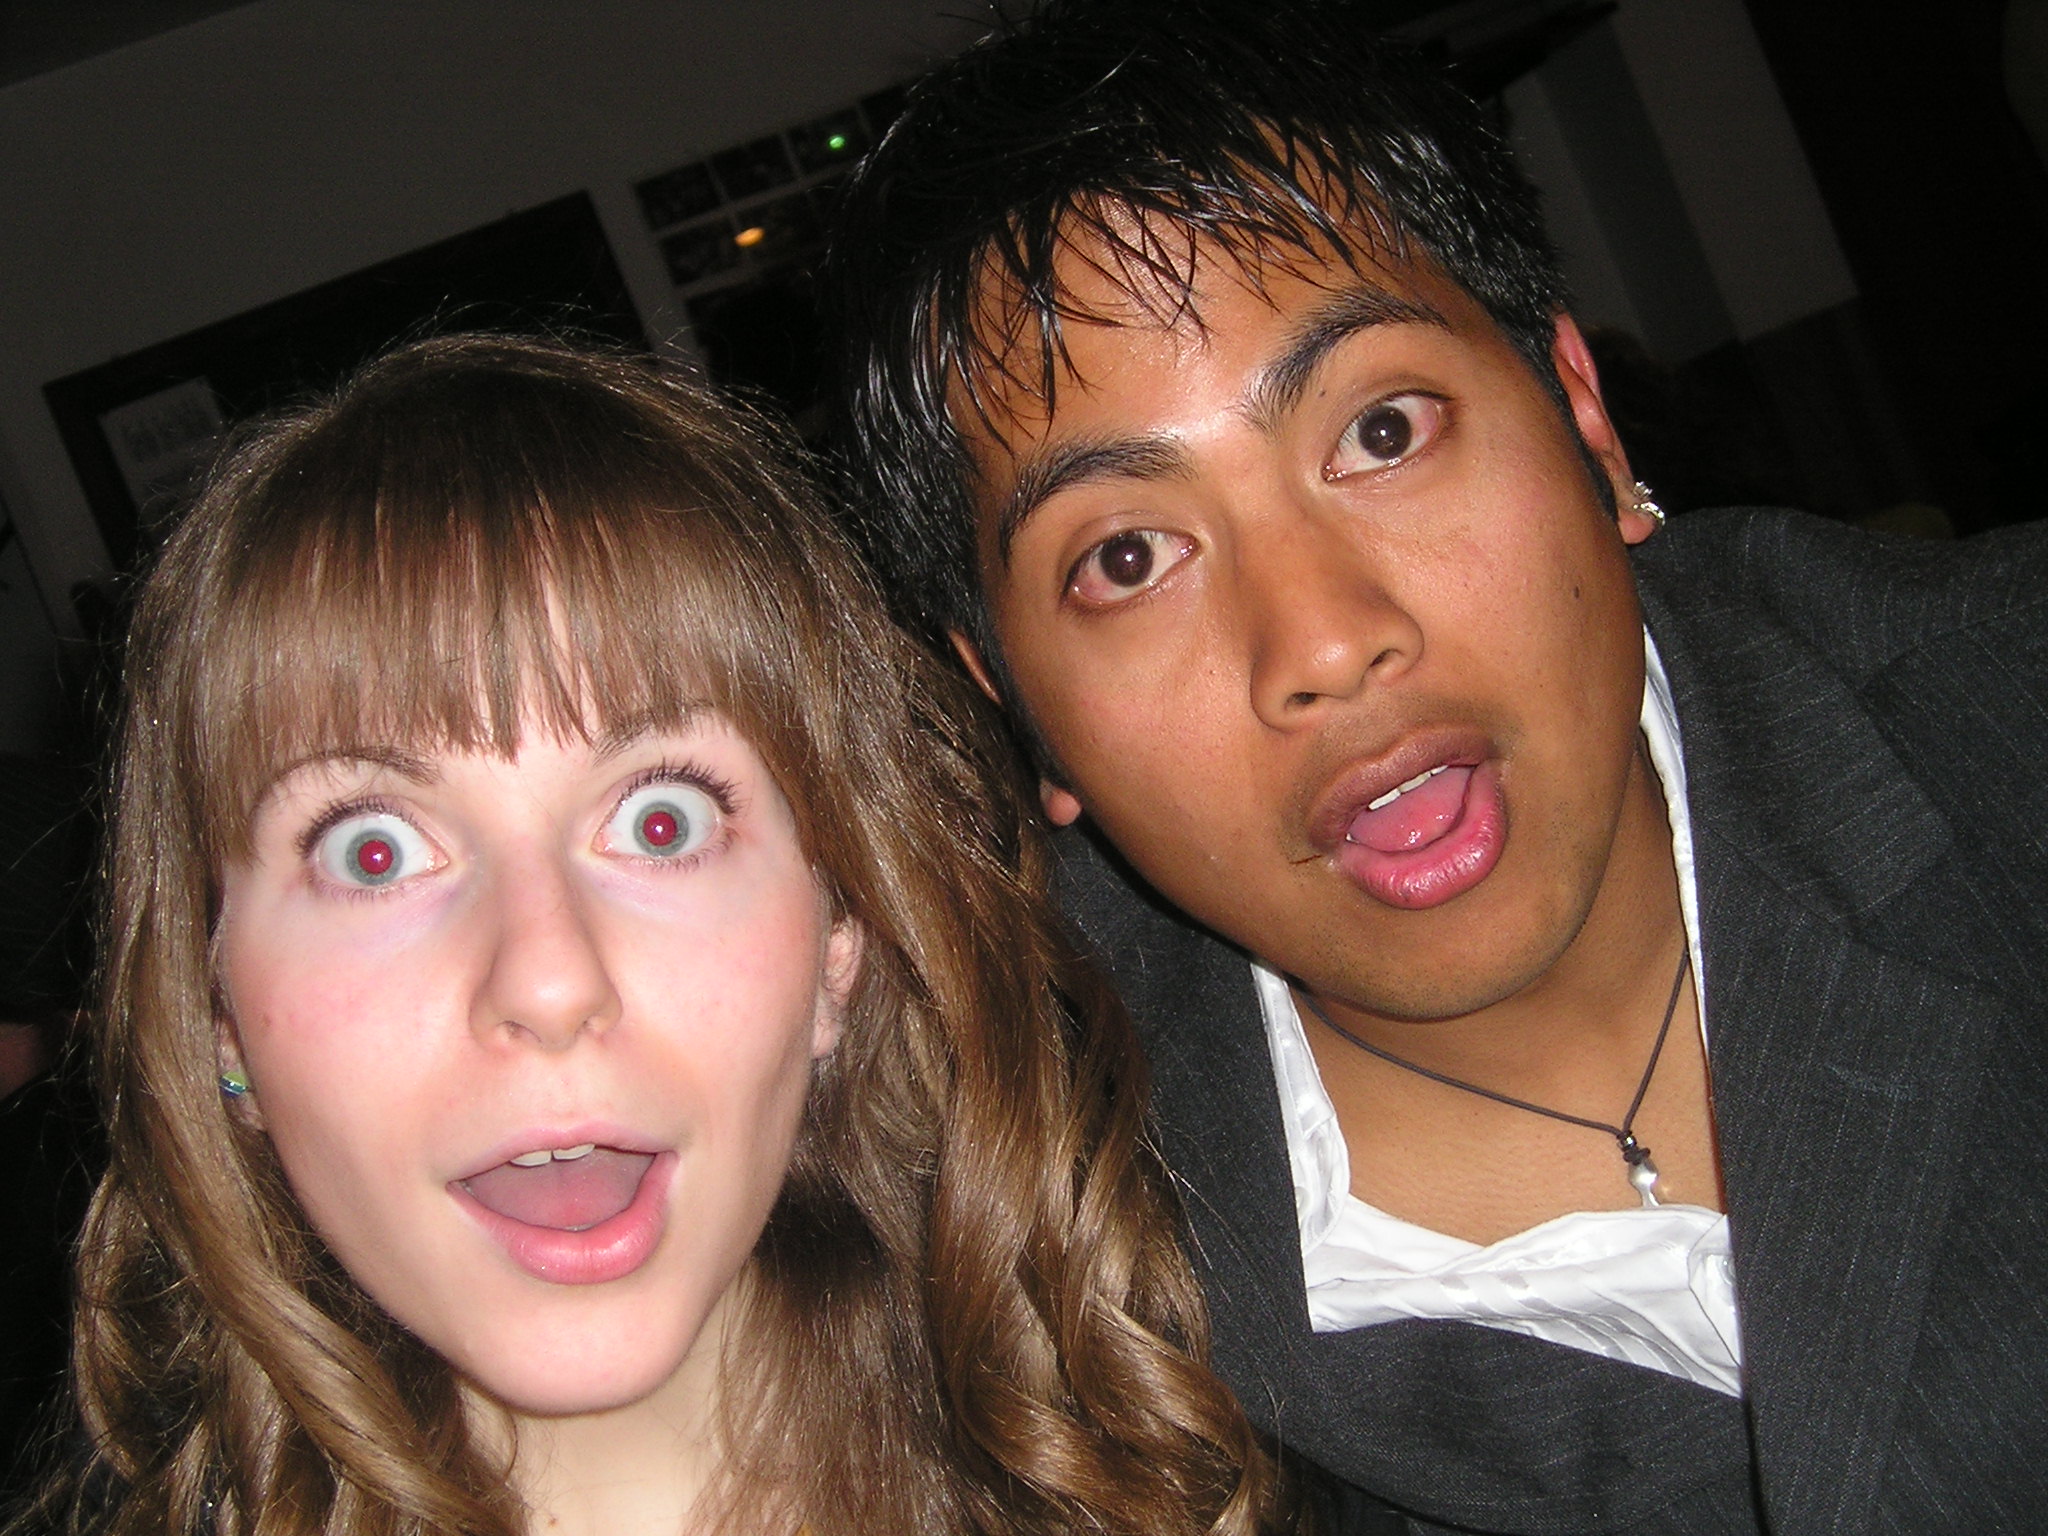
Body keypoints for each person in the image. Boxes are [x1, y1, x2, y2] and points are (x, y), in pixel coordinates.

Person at [828, 1, 2048, 1529]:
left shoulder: (2003, 706)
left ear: (1586, 420)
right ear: (1012, 702)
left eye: (1384, 431)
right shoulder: (1014, 1300)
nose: (1326, 642)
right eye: (1128, 556)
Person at [14, 335, 1287, 1536]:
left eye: (660, 822)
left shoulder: (1198, 1454)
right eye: (373, 852)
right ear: (218, 1015)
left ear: (837, 941)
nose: (548, 979)